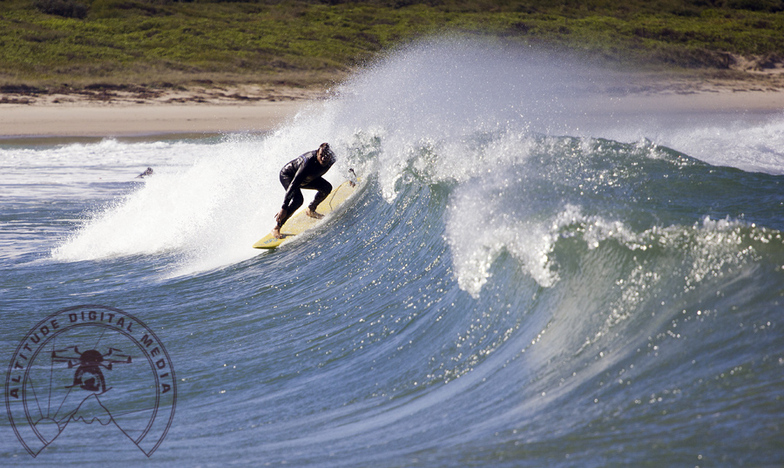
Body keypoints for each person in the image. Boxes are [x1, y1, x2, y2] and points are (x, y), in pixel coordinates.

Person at [272, 142, 336, 239]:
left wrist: (350, 173)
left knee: (327, 188)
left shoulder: (332, 158)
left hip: (309, 179)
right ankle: (277, 227)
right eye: (321, 155)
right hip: (289, 176)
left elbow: (345, 161)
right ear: (317, 152)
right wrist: (284, 207)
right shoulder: (308, 163)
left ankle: (311, 209)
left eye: (326, 156)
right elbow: (294, 184)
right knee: (298, 200)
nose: (323, 158)